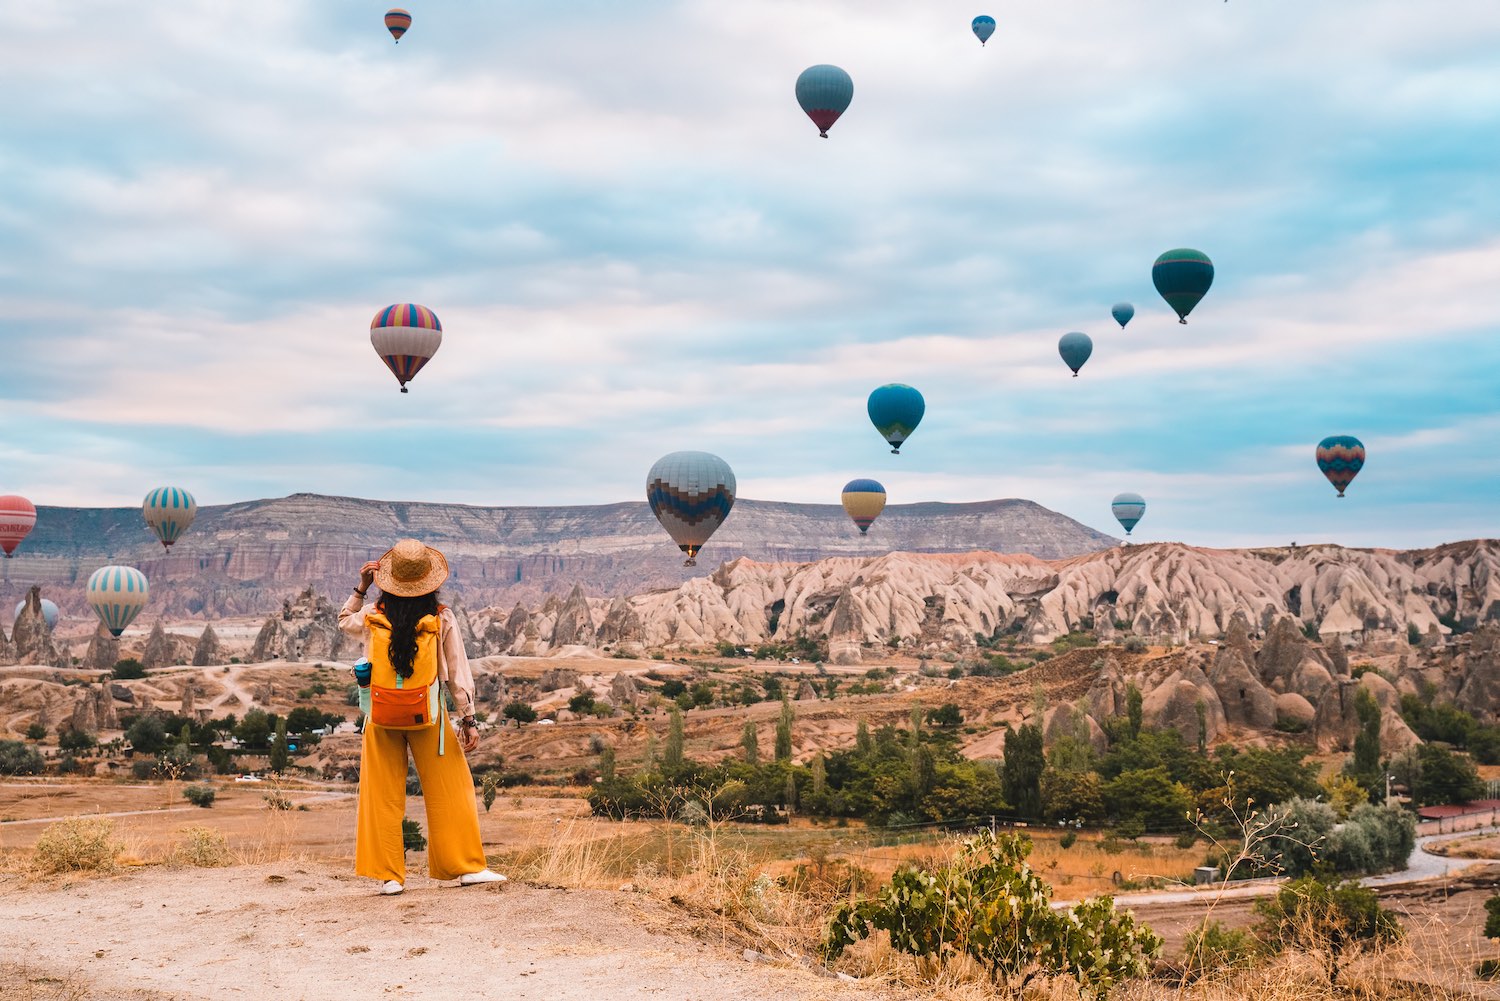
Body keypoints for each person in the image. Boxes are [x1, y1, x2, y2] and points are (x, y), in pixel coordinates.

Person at [339, 538, 506, 896]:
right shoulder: (441, 617)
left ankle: (389, 876)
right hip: (430, 718)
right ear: (430, 581)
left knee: (380, 794)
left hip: (380, 718)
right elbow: (457, 673)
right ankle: (465, 867)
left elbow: (343, 623)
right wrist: (469, 719)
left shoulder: (372, 615)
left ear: (388, 579)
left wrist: (361, 589)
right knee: (451, 789)